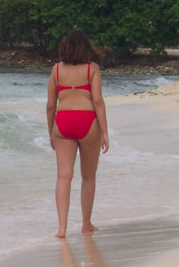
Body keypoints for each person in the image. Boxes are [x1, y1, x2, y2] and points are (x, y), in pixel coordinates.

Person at [46, 29, 109, 238]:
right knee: (88, 177)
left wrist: (51, 131)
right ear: (86, 48)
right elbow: (98, 101)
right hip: (87, 121)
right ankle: (86, 224)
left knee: (63, 176)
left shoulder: (56, 70)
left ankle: (62, 228)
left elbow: (50, 105)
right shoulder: (92, 69)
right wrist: (105, 132)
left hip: (62, 122)